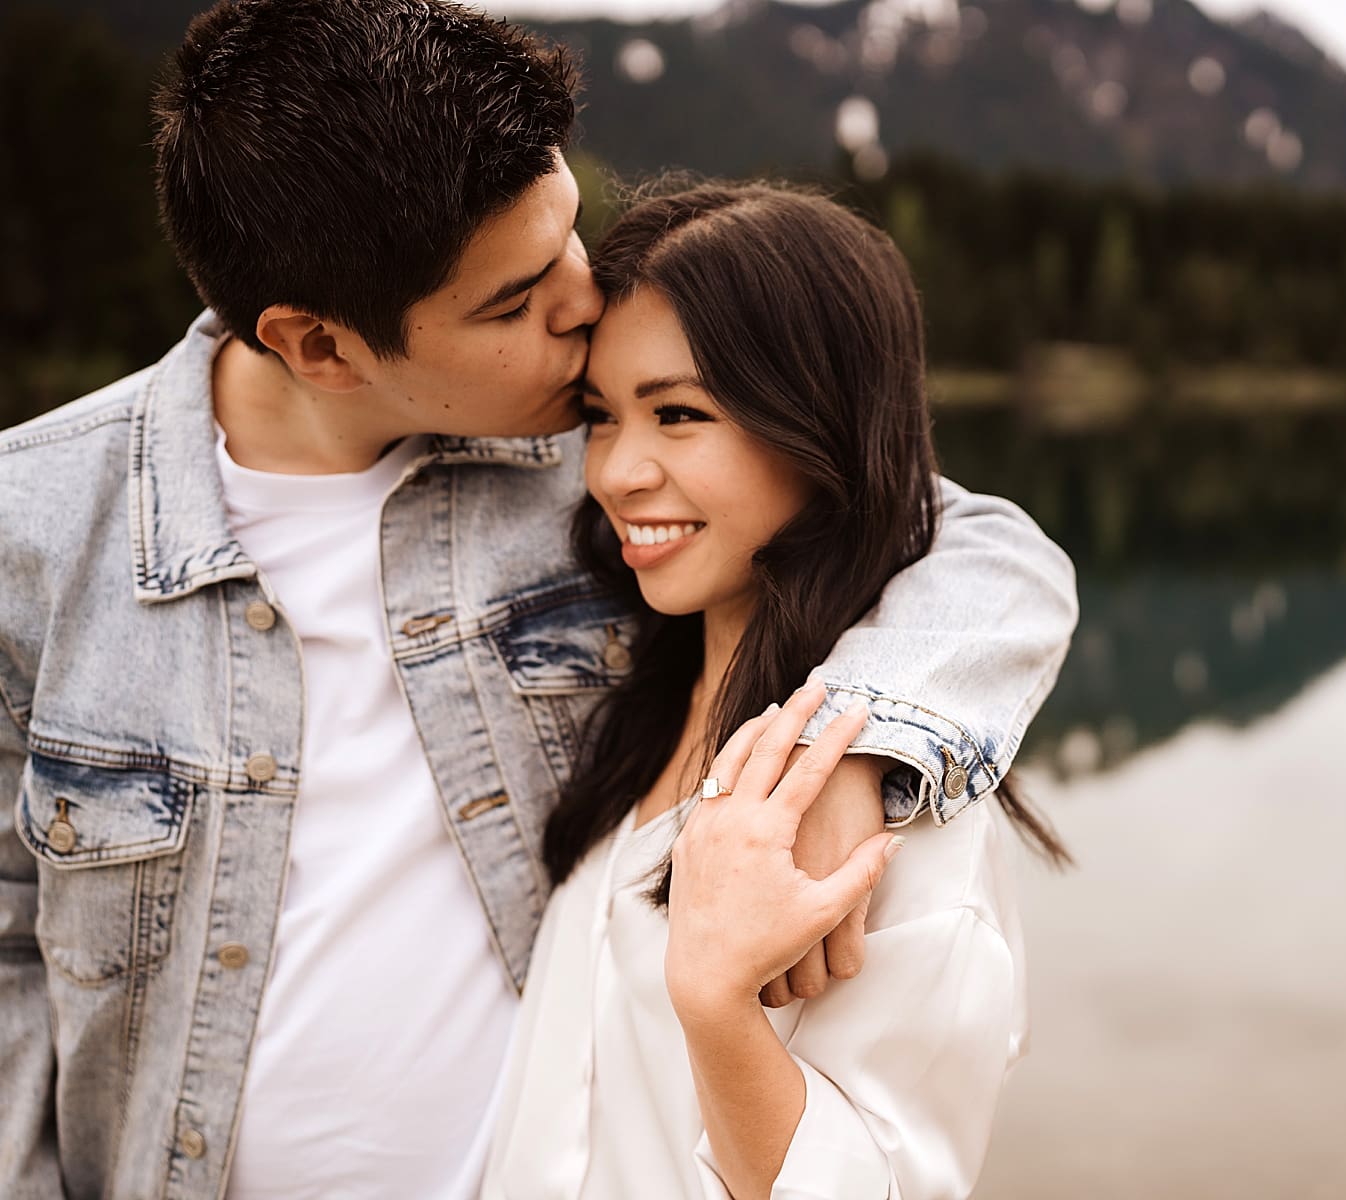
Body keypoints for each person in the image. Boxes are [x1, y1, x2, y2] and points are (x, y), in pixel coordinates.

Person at [0, 3, 1077, 1197]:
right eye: (510, 304)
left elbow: (954, 535)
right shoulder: (35, 533)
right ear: (318, 346)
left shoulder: (578, 442)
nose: (580, 302)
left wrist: (860, 742)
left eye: (569, 231)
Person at [482, 184, 1071, 1200]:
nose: (617, 471)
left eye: (678, 414)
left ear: (820, 430)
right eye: (600, 416)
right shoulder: (625, 697)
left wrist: (717, 1004)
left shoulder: (890, 813)